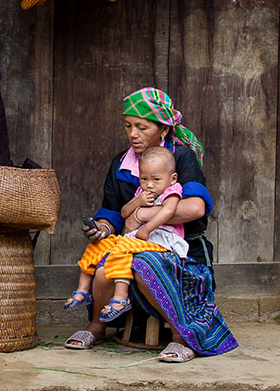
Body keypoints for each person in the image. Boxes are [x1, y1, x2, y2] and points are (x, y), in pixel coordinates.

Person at [64, 87, 238, 363]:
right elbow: (113, 212)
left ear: (163, 130)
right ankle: (97, 327)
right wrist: (103, 228)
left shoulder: (180, 158)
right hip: (135, 243)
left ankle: (183, 338)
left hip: (180, 250)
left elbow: (195, 207)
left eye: (142, 127)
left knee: (144, 266)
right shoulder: (121, 163)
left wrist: (145, 216)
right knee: (103, 268)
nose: (133, 134)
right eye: (128, 126)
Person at [64, 146, 188, 322]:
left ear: (172, 178)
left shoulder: (172, 191)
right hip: (139, 239)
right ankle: (83, 291)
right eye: (144, 179)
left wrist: (147, 228)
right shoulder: (142, 192)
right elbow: (123, 213)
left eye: (156, 179)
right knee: (99, 245)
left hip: (162, 238)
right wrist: (138, 201)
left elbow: (167, 212)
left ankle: (121, 298)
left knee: (121, 249)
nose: (149, 185)